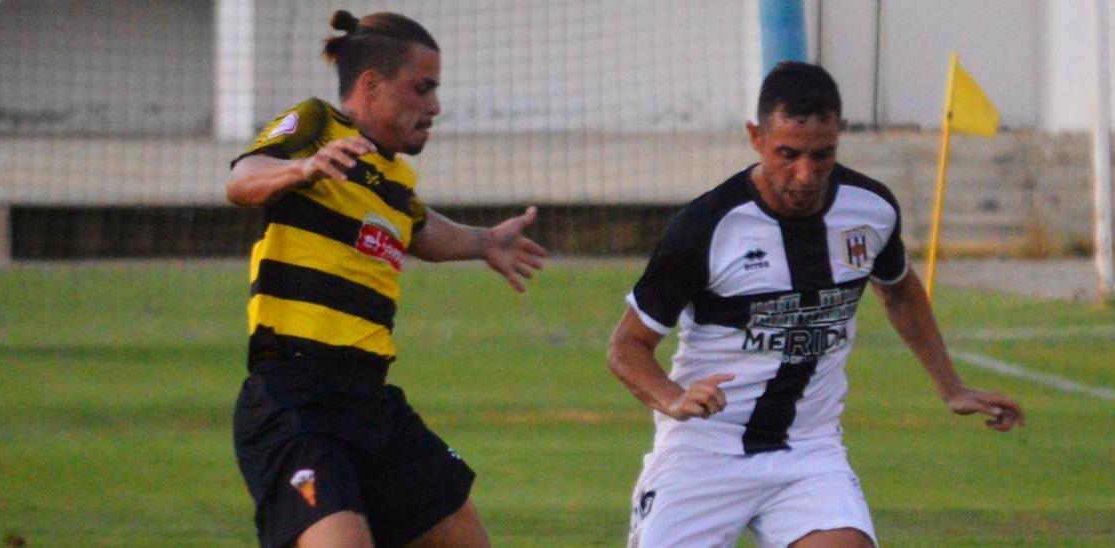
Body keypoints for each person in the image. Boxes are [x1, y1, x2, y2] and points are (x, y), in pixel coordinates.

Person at [606, 61, 1025, 548]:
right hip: (704, 450)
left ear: (840, 136)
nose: (805, 175)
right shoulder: (707, 227)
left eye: (822, 155)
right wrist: (672, 397)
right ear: (755, 138)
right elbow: (627, 346)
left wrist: (951, 387)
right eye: (788, 154)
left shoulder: (871, 210)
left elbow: (899, 288)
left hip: (807, 450)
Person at [226, 10, 545, 548]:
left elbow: (418, 228)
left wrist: (483, 242)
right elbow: (241, 180)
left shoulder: (393, 175)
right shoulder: (315, 126)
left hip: (369, 401)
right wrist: (303, 168)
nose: (435, 106)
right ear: (371, 84)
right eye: (422, 88)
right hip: (295, 397)